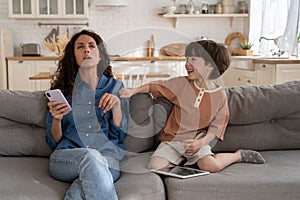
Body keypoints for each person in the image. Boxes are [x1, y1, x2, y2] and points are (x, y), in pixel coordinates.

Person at [119, 40, 265, 173]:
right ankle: (183, 160)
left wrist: (200, 143)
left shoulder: (219, 95)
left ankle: (238, 156)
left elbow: (217, 127)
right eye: (187, 59)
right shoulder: (181, 84)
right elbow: (154, 86)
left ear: (210, 65)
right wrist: (133, 91)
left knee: (211, 166)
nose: (187, 63)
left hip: (196, 140)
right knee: (154, 167)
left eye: (193, 59)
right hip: (172, 140)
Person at [45, 30, 128, 200]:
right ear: (73, 56)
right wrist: (57, 119)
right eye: (80, 47)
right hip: (67, 157)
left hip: (108, 158)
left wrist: (117, 105)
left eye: (92, 46)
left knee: (78, 192)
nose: (87, 50)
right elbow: (55, 141)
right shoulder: (62, 92)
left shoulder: (115, 87)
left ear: (100, 55)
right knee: (91, 157)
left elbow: (120, 134)